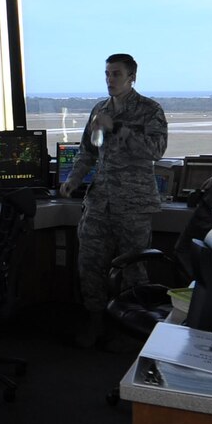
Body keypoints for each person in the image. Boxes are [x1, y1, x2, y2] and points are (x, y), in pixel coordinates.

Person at [63, 53, 168, 348]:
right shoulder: (100, 110)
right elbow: (89, 150)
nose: (110, 80)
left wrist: (118, 128)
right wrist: (73, 179)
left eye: (117, 74)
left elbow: (156, 150)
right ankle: (96, 325)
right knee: (90, 265)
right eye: (107, 74)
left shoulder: (149, 110)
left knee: (134, 269)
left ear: (132, 77)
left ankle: (141, 336)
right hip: (100, 202)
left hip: (133, 204)